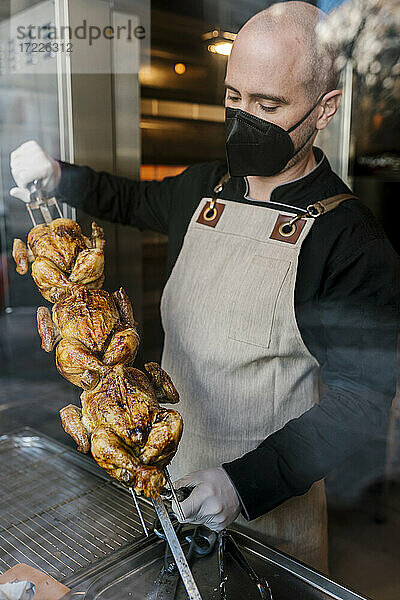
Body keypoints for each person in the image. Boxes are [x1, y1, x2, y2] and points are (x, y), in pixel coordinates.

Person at [9, 2, 399, 572]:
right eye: (234, 97)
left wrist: (244, 483)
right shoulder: (205, 189)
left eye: (268, 105)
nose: (244, 119)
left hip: (267, 515)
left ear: (325, 109)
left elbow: (361, 401)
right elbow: (130, 200)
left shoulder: (349, 238)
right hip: (165, 481)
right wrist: (59, 176)